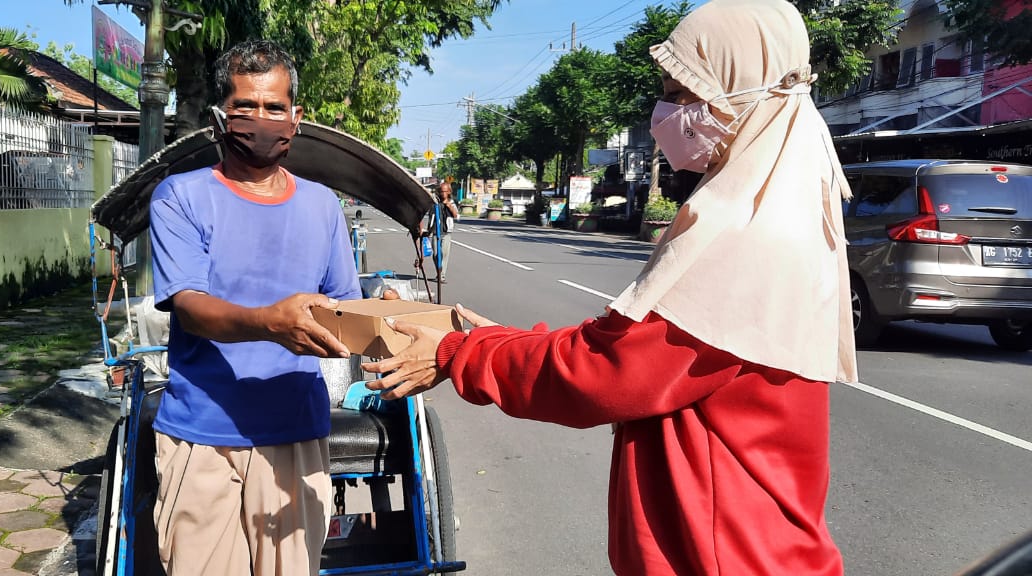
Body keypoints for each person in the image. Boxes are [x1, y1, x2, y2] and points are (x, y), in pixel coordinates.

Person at [362, 1, 857, 574]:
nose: (665, 112)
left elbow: (603, 373)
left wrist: (460, 352)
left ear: (744, 93)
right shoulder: (773, 212)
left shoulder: (750, 238)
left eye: (680, 93)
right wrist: (492, 338)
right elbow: (630, 351)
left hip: (727, 558)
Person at [147, 39, 361, 576]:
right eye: (245, 106)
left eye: (273, 107)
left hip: (295, 431)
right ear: (221, 114)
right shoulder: (180, 196)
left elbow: (344, 307)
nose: (260, 119)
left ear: (295, 116)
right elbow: (189, 307)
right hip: (200, 433)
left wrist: (385, 322)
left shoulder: (322, 205)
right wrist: (269, 323)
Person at [421, 181, 459, 281]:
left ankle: (441, 275)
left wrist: (449, 206)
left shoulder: (451, 202)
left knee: (444, 254)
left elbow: (456, 215)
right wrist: (428, 231)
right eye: (441, 191)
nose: (443, 194)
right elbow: (431, 217)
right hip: (435, 232)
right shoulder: (435, 202)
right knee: (436, 255)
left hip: (446, 232)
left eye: (445, 191)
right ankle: (439, 271)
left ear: (449, 192)